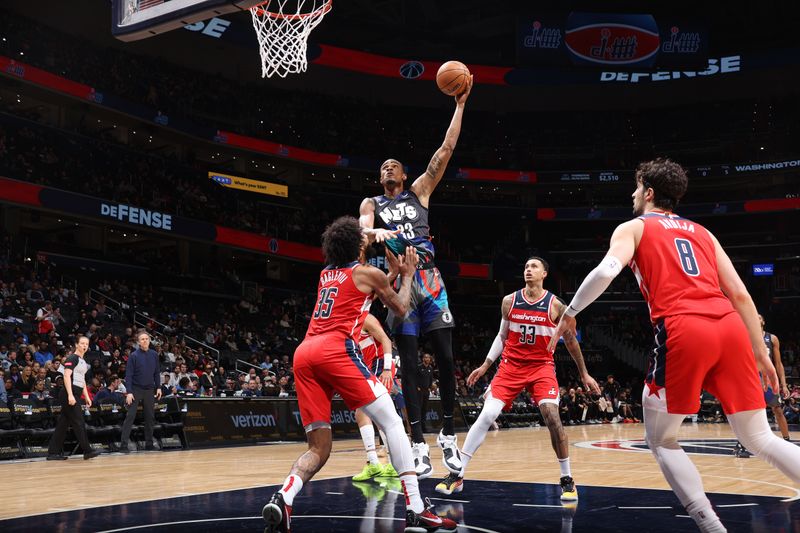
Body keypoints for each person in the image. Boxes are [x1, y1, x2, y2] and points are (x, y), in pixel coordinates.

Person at [549, 158, 800, 533]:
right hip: (730, 328)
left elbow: (605, 271)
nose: (633, 195)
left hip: (684, 328)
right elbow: (741, 295)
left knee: (662, 439)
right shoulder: (702, 232)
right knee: (759, 437)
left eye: (636, 188)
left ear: (648, 192)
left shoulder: (633, 227)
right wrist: (760, 352)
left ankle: (711, 525)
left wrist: (570, 312)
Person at [263, 216, 456, 533]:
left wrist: (381, 255)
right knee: (392, 421)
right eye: (362, 239)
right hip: (335, 350)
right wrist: (405, 276)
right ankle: (417, 509)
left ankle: (284, 497)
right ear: (356, 245)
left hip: (305, 354)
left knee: (318, 449)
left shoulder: (327, 274)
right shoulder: (368, 273)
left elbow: (361, 282)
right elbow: (402, 308)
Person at [358, 76, 473, 479]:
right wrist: (377, 233)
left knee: (445, 358)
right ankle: (418, 443)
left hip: (431, 282)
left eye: (393, 166)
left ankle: (446, 436)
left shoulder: (420, 192)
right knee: (409, 364)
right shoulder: (372, 202)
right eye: (382, 167)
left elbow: (445, 150)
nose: (387, 168)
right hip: (399, 283)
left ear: (404, 176)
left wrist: (459, 105)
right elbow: (361, 230)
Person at [435, 257, 601, 501]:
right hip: (510, 367)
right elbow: (502, 337)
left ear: (545, 273)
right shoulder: (509, 301)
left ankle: (566, 479)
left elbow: (573, 342)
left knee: (552, 417)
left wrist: (584, 373)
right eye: (525, 267)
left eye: (534, 267)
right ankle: (457, 475)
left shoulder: (556, 306)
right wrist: (485, 365)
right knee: (487, 415)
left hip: (541, 367)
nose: (528, 270)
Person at [735, 314, 792, 457]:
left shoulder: (772, 338)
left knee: (778, 410)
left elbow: (778, 363)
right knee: (749, 413)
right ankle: (741, 445)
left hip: (768, 376)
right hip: (752, 377)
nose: (757, 317)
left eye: (759, 316)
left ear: (763, 321)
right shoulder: (745, 336)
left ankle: (788, 441)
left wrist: (784, 384)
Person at [352, 313, 399, 481]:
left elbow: (386, 340)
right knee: (366, 414)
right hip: (367, 367)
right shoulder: (347, 324)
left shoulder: (365, 317)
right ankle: (380, 463)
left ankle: (382, 464)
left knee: (366, 412)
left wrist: (387, 369)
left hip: (380, 364)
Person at [46, 336, 100, 460]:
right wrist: (70, 395)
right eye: (82, 343)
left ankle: (53, 453)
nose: (85, 346)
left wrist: (86, 396)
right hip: (68, 393)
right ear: (77, 345)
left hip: (76, 392)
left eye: (86, 343)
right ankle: (87, 451)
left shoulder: (83, 361)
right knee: (78, 421)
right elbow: (66, 376)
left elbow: (82, 381)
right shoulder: (72, 358)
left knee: (63, 424)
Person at [118, 330, 162, 453]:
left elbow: (156, 373)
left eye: (146, 339)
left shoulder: (154, 354)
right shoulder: (134, 356)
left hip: (149, 390)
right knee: (130, 416)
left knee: (150, 417)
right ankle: (123, 445)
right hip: (136, 390)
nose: (145, 341)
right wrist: (129, 392)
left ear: (149, 341)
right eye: (142, 339)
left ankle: (149, 444)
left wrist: (158, 387)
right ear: (138, 342)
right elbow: (129, 375)